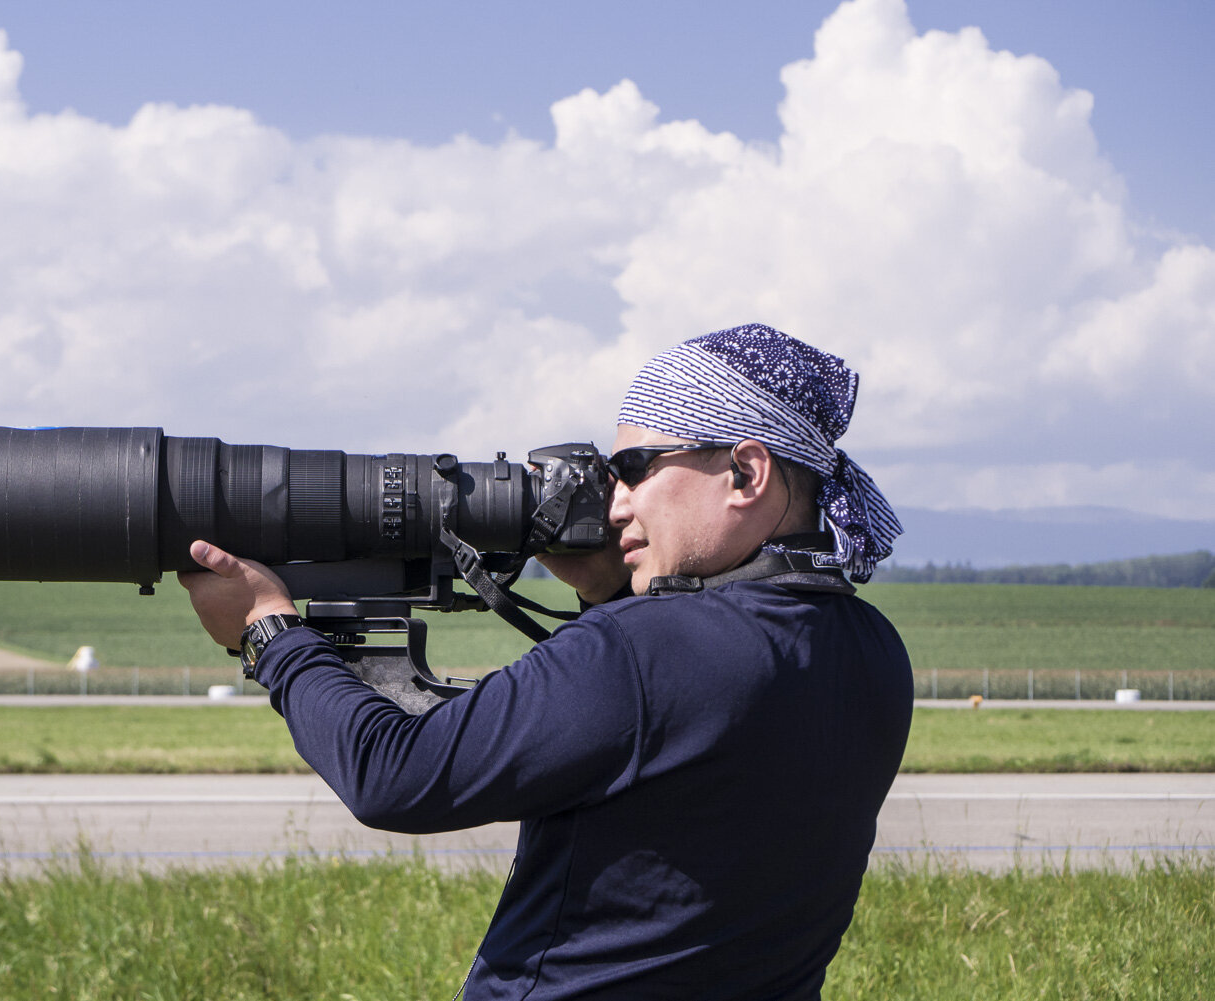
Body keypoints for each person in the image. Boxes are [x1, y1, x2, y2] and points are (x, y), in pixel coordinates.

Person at [180, 322, 912, 1000]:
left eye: (635, 468)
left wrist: (266, 629)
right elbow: (676, 757)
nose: (617, 504)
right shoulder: (873, 650)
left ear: (746, 474)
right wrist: (606, 593)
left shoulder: (642, 651)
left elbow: (394, 777)